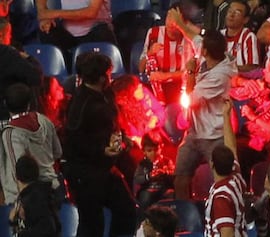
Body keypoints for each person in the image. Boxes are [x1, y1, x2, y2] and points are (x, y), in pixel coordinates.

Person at [65, 52, 137, 237]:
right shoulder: (80, 105)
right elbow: (74, 140)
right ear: (100, 78)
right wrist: (101, 150)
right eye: (107, 73)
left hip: (106, 170)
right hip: (86, 173)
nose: (110, 76)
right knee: (91, 224)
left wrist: (123, 136)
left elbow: (112, 122)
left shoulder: (106, 94)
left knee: (127, 210)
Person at [172, 29, 237, 200]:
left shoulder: (220, 75)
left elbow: (190, 98)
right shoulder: (209, 56)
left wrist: (191, 73)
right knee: (180, 177)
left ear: (206, 52)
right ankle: (183, 219)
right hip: (194, 132)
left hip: (214, 135)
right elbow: (196, 40)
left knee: (223, 179)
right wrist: (180, 24)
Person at [0, 83, 62, 205]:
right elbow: (58, 152)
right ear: (29, 103)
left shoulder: (10, 134)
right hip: (53, 188)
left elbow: (18, 171)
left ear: (5, 104)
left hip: (25, 199)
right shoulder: (44, 120)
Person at [138, 3, 198, 104]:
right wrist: (150, 52)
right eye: (168, 17)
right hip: (157, 87)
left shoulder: (189, 40)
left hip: (180, 87)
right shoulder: (153, 33)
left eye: (174, 19)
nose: (170, 22)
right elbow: (141, 68)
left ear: (184, 23)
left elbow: (191, 73)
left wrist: (166, 76)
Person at [204, 98, 247, 237]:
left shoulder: (221, 197)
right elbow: (231, 147)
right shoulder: (236, 178)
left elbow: (227, 234)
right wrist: (226, 115)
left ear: (212, 164)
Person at [35, 0, 116, 57]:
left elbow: (91, 13)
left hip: (95, 32)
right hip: (67, 33)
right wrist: (44, 16)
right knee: (46, 30)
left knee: (102, 32)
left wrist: (51, 14)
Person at [8, 154, 60, 237]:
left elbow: (48, 228)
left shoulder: (33, 199)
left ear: (16, 176)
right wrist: (13, 221)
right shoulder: (36, 194)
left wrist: (21, 235)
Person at [134, 133, 174, 210]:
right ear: (144, 151)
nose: (153, 153)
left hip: (163, 190)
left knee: (171, 194)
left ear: (161, 147)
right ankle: (144, 218)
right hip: (148, 190)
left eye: (156, 150)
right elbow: (137, 179)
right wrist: (149, 176)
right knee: (145, 196)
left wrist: (165, 172)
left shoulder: (166, 161)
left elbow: (174, 175)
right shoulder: (143, 164)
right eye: (149, 151)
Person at [220, 0, 260, 72]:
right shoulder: (219, 36)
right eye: (230, 11)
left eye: (237, 13)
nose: (231, 15)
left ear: (245, 20)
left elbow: (252, 68)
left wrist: (227, 69)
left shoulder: (249, 37)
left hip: (239, 80)